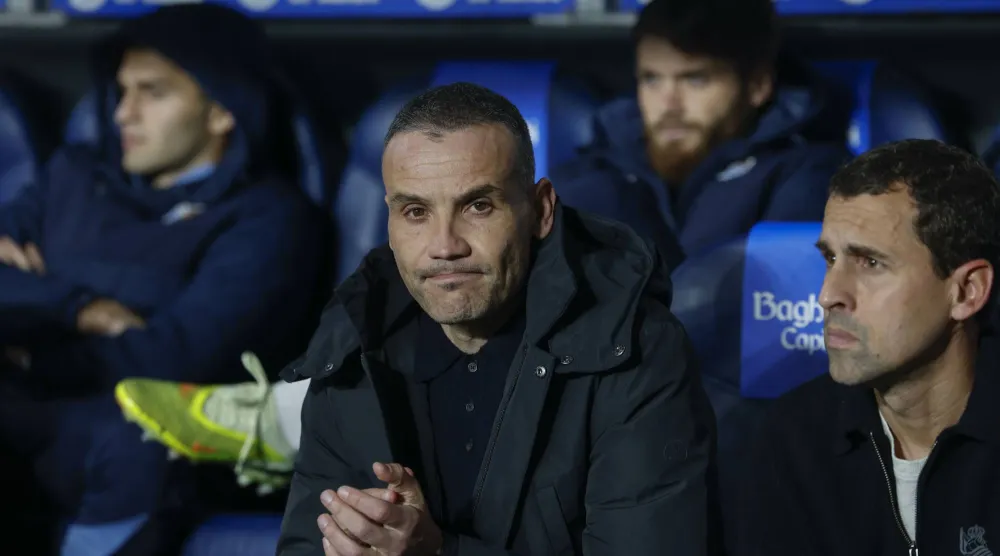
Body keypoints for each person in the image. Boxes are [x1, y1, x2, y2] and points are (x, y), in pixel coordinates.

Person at [126, 82, 720, 554]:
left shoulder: (634, 347)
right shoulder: (355, 345)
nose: (444, 245)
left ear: (540, 211)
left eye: (477, 206)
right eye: (414, 211)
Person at [0, 4, 327, 555]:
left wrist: (30, 348)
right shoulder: (73, 176)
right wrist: (79, 309)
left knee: (134, 447)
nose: (123, 113)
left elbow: (178, 357)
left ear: (222, 110)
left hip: (137, 437)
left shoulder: (270, 219)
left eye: (151, 93)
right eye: (121, 91)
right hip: (24, 403)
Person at [732, 139, 1000, 556]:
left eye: (871, 263)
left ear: (967, 290)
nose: (827, 295)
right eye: (829, 260)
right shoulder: (795, 438)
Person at [553, 0, 849, 260]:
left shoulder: (808, 175)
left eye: (695, 79)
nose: (668, 104)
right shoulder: (594, 174)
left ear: (758, 85)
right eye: (651, 79)